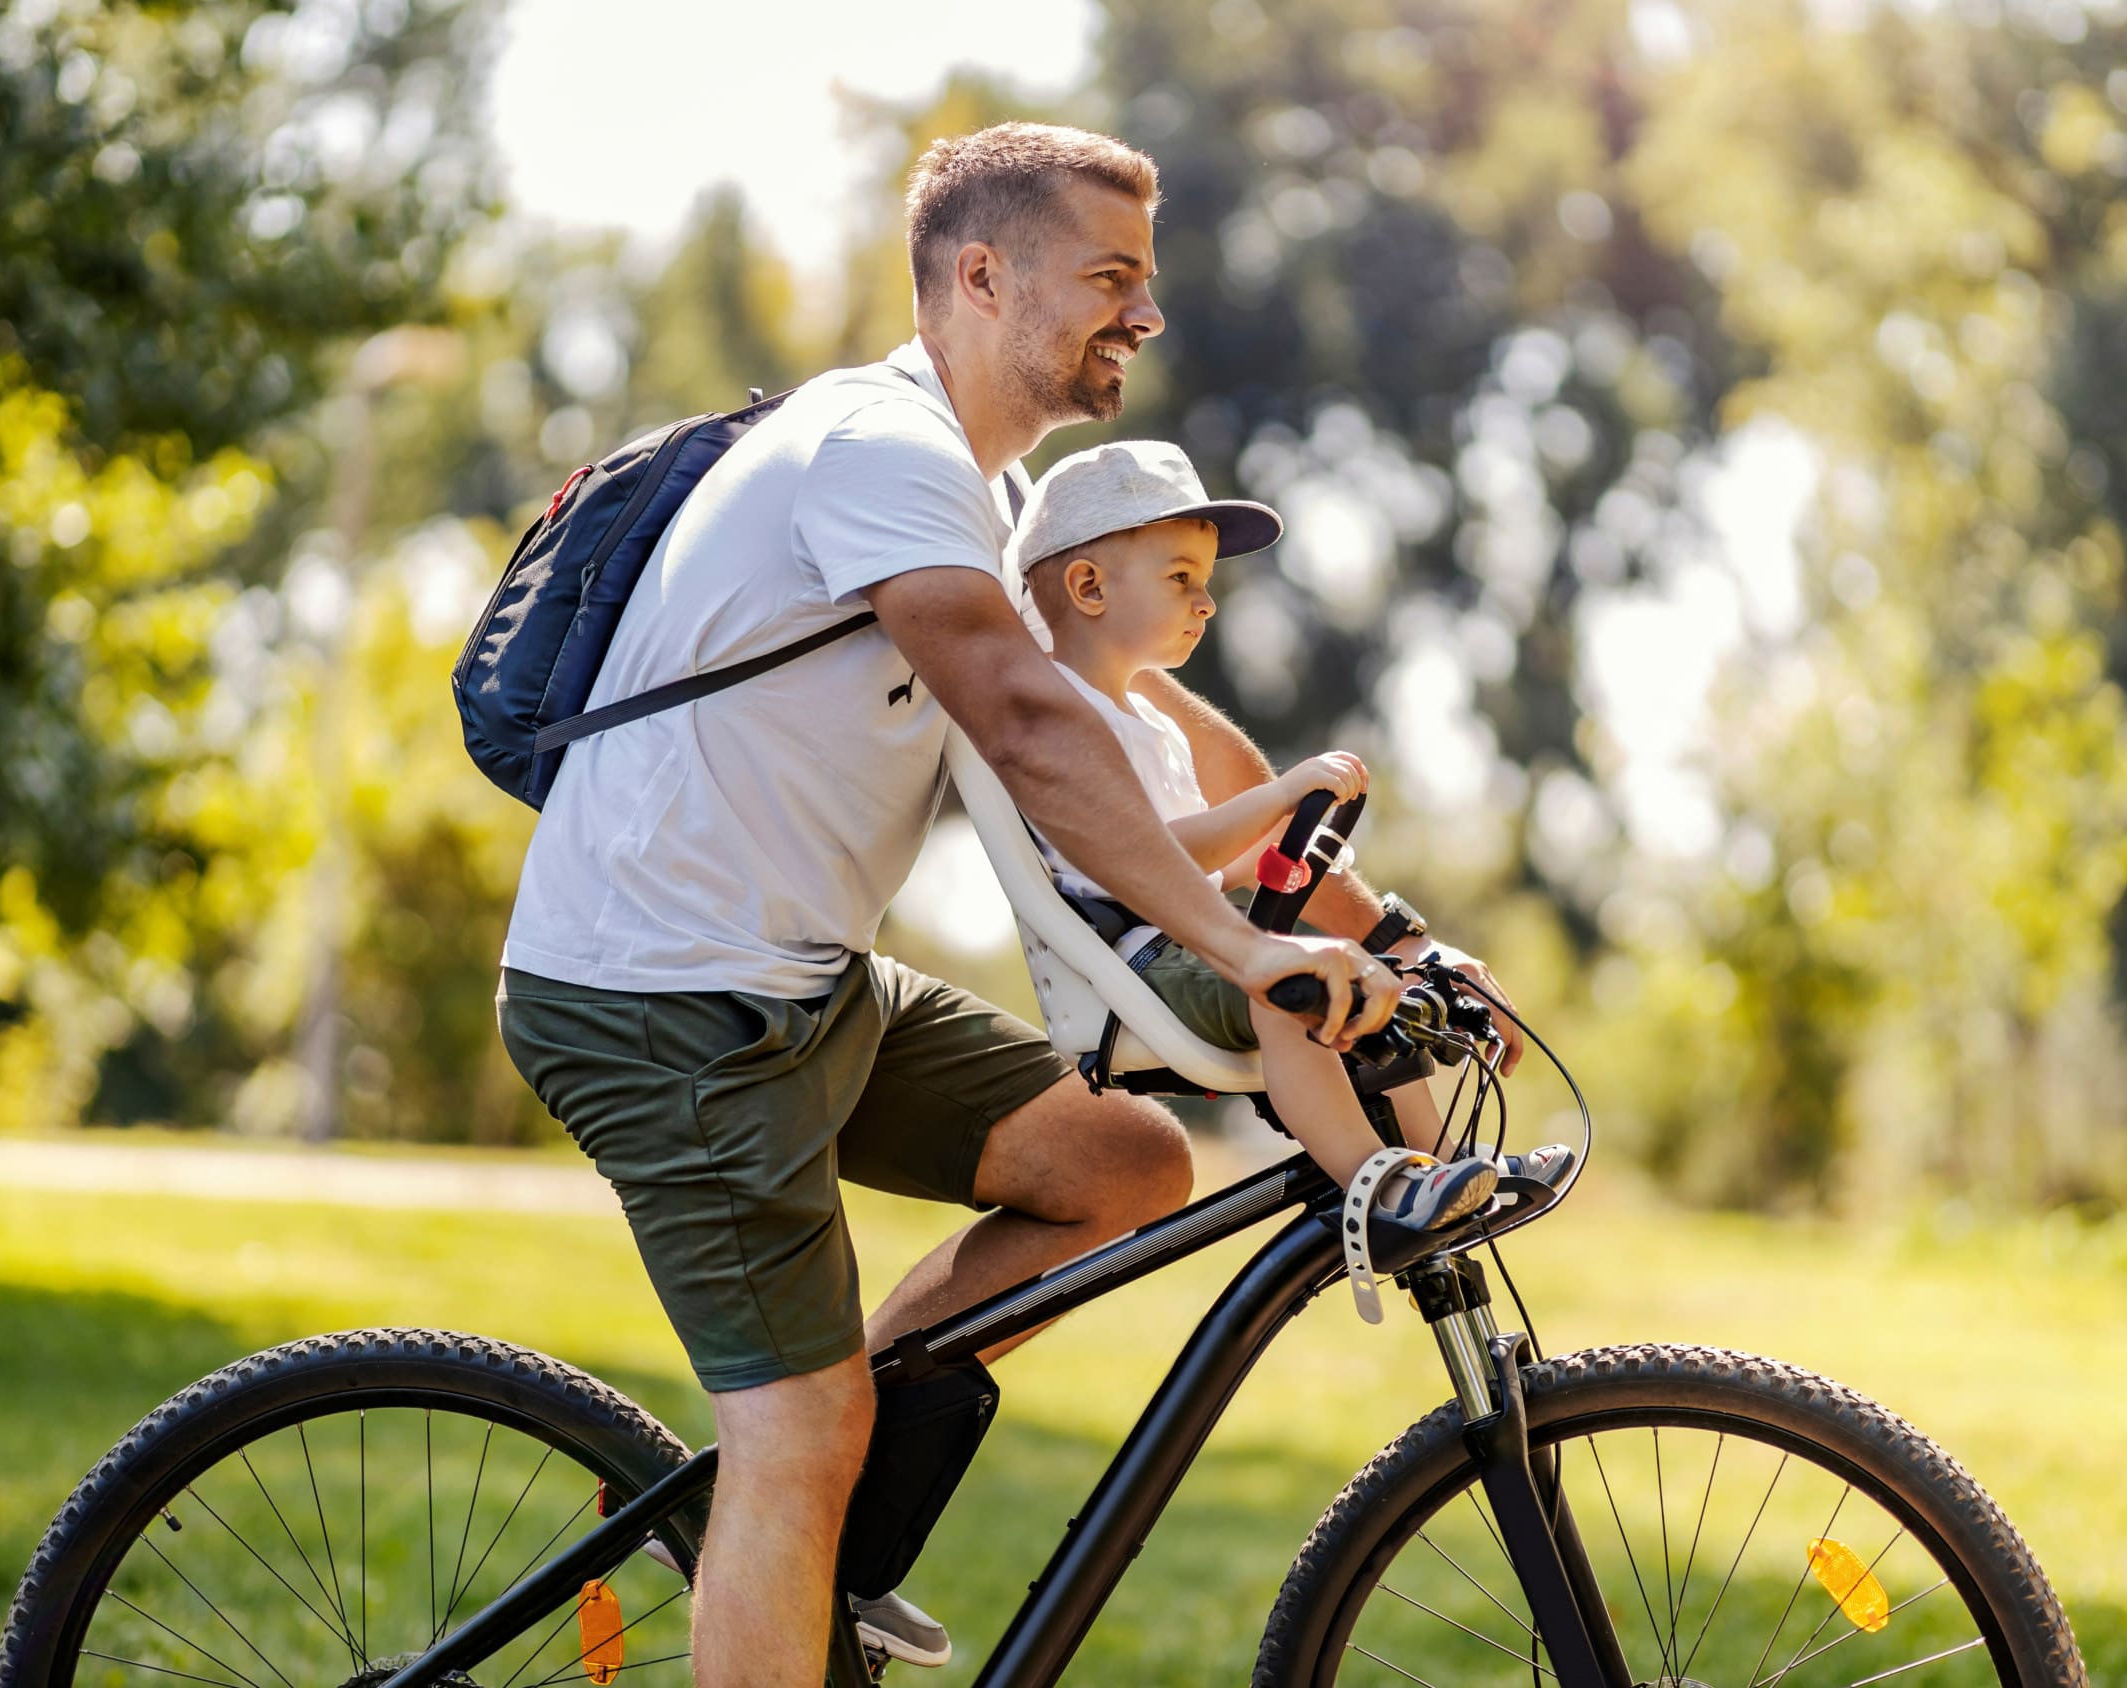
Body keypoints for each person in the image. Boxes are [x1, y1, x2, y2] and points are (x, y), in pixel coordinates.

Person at [494, 122, 1518, 1686]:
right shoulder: (883, 457)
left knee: (1115, 1159)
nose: (1145, 316)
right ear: (982, 275)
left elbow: (1152, 732)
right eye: (1110, 279)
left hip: (795, 985)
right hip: (661, 997)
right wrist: (1241, 947)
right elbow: (1028, 728)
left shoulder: (985, 489)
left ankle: (830, 1545)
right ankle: (800, 1524)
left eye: (1144, 284)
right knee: (799, 1431)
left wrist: (1385, 936)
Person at [1013, 440, 1504, 1227]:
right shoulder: (1065, 724)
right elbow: (1156, 856)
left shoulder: (1148, 725)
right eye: (1181, 580)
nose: (1206, 604)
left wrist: (1281, 848)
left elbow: (1204, 863)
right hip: (1139, 966)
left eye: (1205, 586)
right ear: (1088, 586)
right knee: (1291, 991)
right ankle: (1377, 1185)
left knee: (1371, 977)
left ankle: (1450, 1171)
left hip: (1192, 938)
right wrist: (1278, 795)